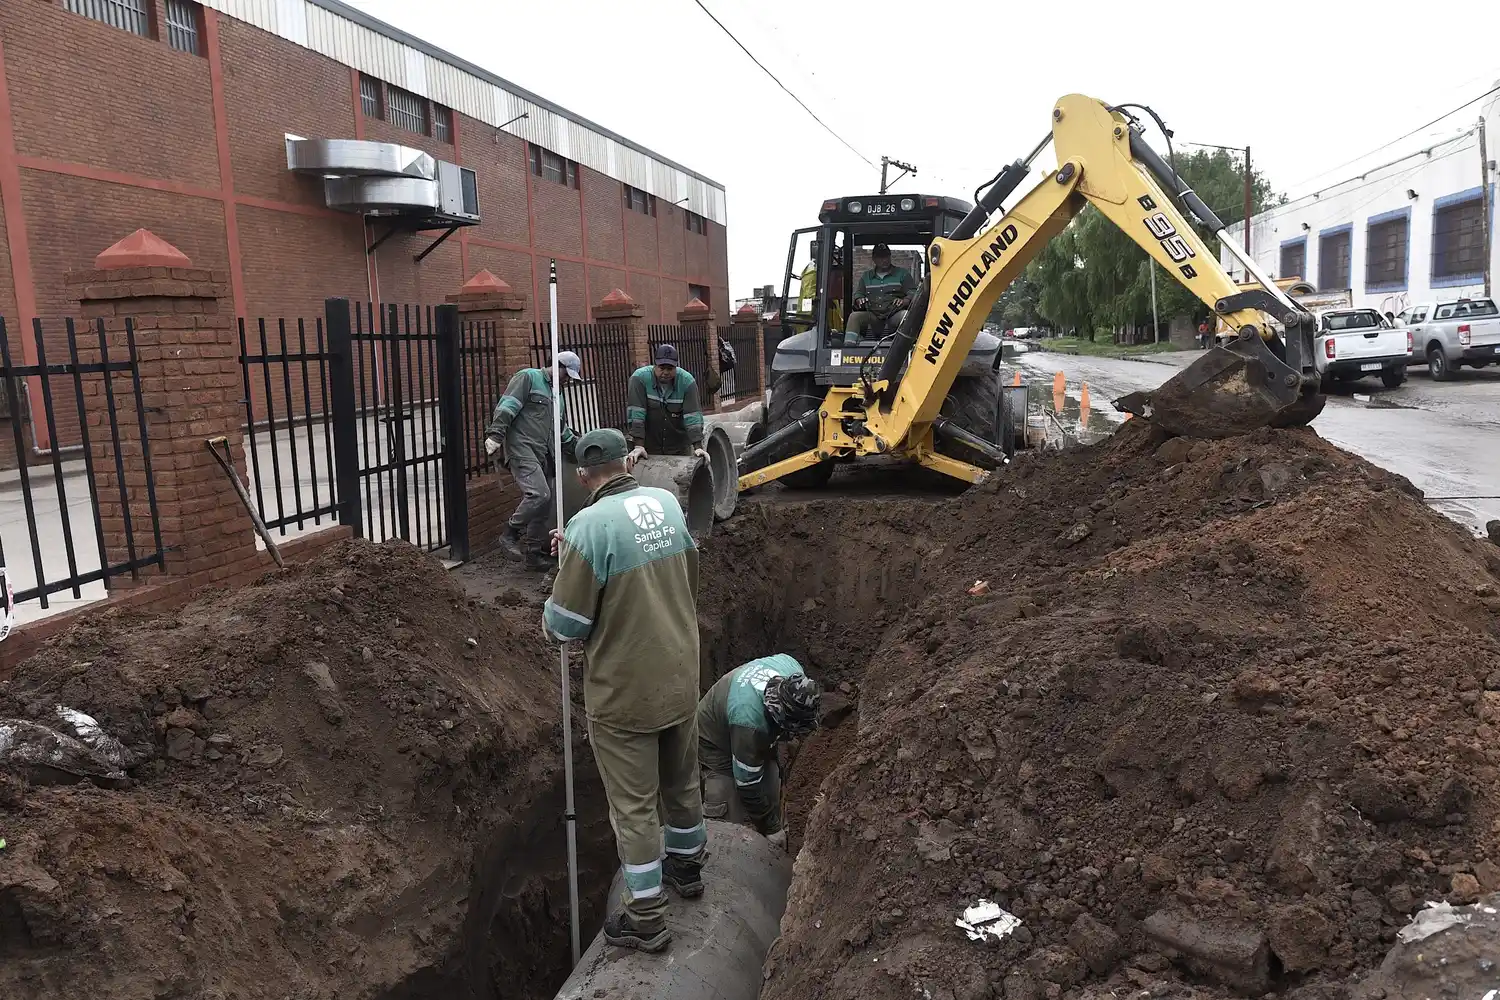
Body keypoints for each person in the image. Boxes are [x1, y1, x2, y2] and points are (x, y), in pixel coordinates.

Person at [544, 428, 706, 954]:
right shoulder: (664, 502)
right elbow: (686, 577)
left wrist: (567, 564)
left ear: (581, 475)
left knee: (635, 808)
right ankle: (688, 868)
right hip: (681, 673)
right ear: (629, 463)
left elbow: (565, 625)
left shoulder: (587, 526)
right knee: (681, 781)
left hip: (625, 693)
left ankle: (648, 916)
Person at [696, 653, 820, 852]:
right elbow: (747, 784)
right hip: (715, 741)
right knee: (726, 806)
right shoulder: (748, 721)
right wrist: (771, 828)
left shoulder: (791, 668)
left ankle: (777, 855)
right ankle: (720, 858)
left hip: (753, 724)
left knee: (771, 786)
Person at [484, 352, 581, 570]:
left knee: (545, 504)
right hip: (522, 448)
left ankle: (534, 554)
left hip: (544, 453)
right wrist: (496, 434)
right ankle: (510, 533)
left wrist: (578, 449)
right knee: (539, 494)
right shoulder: (528, 377)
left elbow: (561, 430)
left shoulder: (558, 396)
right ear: (556, 366)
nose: (567, 380)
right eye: (566, 374)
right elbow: (508, 405)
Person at [626, 344, 707, 462]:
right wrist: (639, 446)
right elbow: (636, 414)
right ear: (654, 365)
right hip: (649, 446)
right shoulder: (639, 379)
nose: (665, 372)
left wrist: (698, 447)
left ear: (676, 367)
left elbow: (693, 417)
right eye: (662, 368)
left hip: (678, 446)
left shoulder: (687, 382)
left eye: (670, 368)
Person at [844, 243, 916, 346]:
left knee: (906, 315)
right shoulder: (866, 277)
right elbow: (859, 293)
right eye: (880, 257)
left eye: (886, 256)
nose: (884, 260)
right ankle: (848, 349)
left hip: (894, 314)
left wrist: (905, 300)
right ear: (874, 259)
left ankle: (908, 347)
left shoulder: (902, 274)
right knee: (854, 316)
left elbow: (913, 292)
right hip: (873, 315)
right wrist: (859, 299)